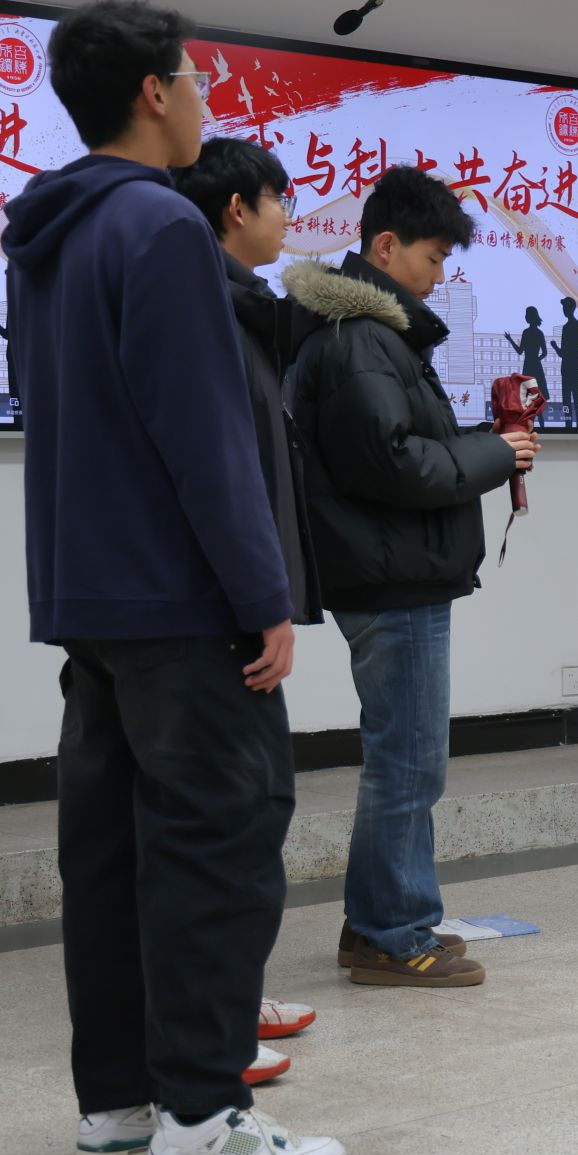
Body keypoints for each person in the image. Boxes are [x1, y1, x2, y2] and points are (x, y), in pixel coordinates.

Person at [1, 0, 343, 1155]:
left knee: (109, 856)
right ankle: (203, 1123)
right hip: (183, 601)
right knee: (220, 843)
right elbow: (206, 437)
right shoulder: (159, 226)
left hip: (90, 597)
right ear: (154, 92)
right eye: (196, 79)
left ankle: (119, 1103)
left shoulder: (43, 231)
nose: (204, 98)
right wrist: (264, 596)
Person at [286, 165, 538, 986]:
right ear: (386, 247)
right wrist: (496, 454)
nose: (438, 276)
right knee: (409, 761)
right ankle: (392, 933)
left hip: (394, 570)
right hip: (391, 577)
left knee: (406, 756)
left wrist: (485, 445)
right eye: (432, 258)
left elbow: (399, 447)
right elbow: (392, 464)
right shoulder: (360, 340)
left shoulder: (369, 334)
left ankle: (382, 920)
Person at [173, 136, 328, 1056]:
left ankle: (232, 999)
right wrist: (262, 601)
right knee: (240, 810)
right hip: (221, 614)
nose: (287, 220)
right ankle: (218, 1025)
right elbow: (224, 475)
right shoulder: (212, 315)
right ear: (238, 208)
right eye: (280, 202)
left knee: (241, 809)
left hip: (224, 603)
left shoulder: (242, 309)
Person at [504, 304, 549, 423]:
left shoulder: (527, 332)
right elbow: (544, 353)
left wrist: (510, 339)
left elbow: (520, 351)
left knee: (529, 400)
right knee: (537, 398)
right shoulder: (539, 333)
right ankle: (541, 424)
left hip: (529, 366)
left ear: (529, 317)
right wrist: (537, 359)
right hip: (535, 366)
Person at [557, 296, 578, 426]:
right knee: (576, 400)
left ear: (569, 308)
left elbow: (563, 353)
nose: (563, 310)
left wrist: (554, 346)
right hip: (572, 370)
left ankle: (570, 427)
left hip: (568, 370)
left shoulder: (569, 328)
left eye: (564, 307)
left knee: (569, 401)